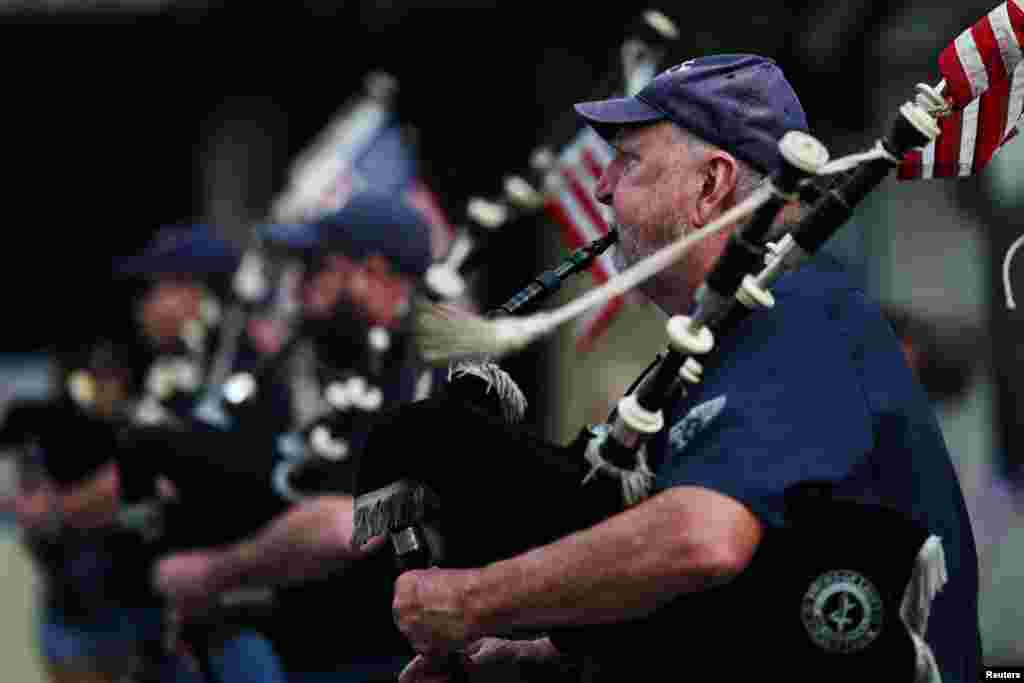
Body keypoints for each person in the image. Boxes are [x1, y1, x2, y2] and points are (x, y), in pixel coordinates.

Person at [390, 54, 981, 682]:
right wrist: (544, 656)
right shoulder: (723, 341)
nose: (600, 187)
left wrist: (471, 602)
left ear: (710, 186)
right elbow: (749, 595)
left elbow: (703, 539)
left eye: (629, 160)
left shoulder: (805, 313)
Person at [149, 191, 437, 682]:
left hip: (387, 660)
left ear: (374, 274)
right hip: (289, 648)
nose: (299, 286)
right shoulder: (319, 362)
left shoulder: (433, 373)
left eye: (316, 268)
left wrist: (212, 573)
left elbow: (352, 525)